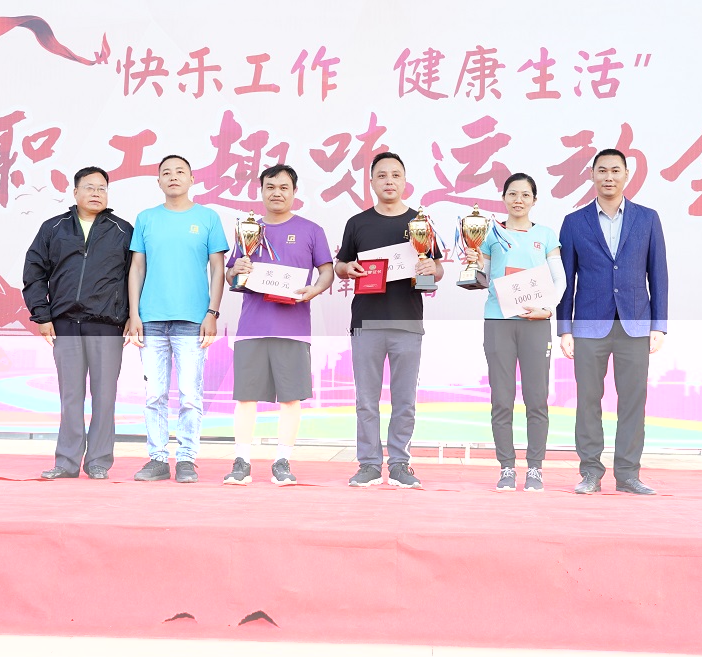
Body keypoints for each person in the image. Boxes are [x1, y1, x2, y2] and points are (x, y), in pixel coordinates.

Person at [557, 148, 668, 495]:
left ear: (626, 175)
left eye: (615, 170)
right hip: (589, 324)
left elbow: (658, 274)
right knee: (588, 401)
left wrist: (659, 324)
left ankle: (628, 474)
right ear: (592, 175)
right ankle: (590, 472)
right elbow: (565, 280)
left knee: (633, 401)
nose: (609, 177)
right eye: (602, 170)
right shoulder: (574, 222)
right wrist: (564, 328)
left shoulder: (647, 219)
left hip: (635, 323)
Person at [335, 152, 443, 488]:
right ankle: (368, 464)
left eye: (395, 175)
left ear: (405, 180)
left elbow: (437, 268)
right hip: (366, 322)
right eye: (382, 175)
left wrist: (431, 268)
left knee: (405, 402)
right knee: (366, 401)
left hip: (407, 322)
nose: (389, 181)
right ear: (371, 182)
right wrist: (348, 269)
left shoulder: (420, 223)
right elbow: (340, 265)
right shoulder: (358, 223)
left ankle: (399, 464)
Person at [222, 164, 334, 485]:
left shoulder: (311, 230)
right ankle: (242, 461)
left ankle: (282, 460)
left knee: (290, 397)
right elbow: (231, 274)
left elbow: (326, 271)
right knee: (246, 397)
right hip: (252, 326)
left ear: (294, 192)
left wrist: (314, 290)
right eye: (270, 187)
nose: (277, 193)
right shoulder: (249, 229)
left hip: (293, 327)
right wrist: (236, 270)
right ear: (261, 191)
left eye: (284, 187)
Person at [22, 166, 132, 480]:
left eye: (102, 188)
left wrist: (131, 316)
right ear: (75, 192)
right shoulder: (54, 228)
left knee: (105, 396)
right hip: (65, 323)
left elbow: (136, 277)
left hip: (107, 325)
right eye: (89, 187)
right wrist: (42, 315)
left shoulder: (123, 230)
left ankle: (98, 461)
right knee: (70, 396)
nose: (96, 193)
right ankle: (67, 462)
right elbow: (34, 272)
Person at [126, 155, 229, 483]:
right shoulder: (146, 218)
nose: (173, 177)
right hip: (151, 319)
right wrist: (134, 314)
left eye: (180, 172)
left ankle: (186, 458)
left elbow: (218, 269)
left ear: (191, 178)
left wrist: (212, 312)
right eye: (166, 172)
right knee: (154, 394)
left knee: (189, 394)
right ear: (158, 181)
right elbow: (137, 267)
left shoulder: (208, 217)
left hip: (192, 319)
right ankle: (157, 458)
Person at [464, 173, 566, 492]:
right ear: (504, 197)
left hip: (536, 323)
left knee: (536, 399)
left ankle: (535, 468)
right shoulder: (490, 233)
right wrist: (474, 262)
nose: (518, 199)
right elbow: (481, 279)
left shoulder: (545, 235)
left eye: (525, 194)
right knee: (502, 399)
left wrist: (547, 309)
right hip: (499, 321)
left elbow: (560, 280)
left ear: (534, 200)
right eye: (512, 193)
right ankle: (506, 466)